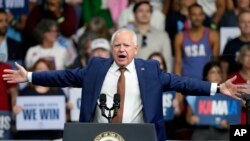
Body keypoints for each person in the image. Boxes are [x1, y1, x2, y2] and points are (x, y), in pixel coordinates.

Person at [2, 28, 249, 141]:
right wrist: (30, 77)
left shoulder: (149, 70)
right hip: (99, 137)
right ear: (112, 49)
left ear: (135, 49)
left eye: (126, 45)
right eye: (117, 45)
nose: (121, 49)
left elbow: (182, 83)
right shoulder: (97, 68)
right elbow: (63, 76)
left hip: (139, 138)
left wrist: (218, 88)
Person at [13, 58, 68, 140]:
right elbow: (16, 123)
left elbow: (66, 119)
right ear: (33, 71)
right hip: (29, 137)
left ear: (50, 72)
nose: (42, 72)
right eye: (39, 69)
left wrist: (67, 109)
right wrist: (15, 113)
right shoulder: (25, 92)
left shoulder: (58, 91)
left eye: (45, 69)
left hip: (54, 137)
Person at [174, 3, 219, 80]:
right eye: (194, 15)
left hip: (207, 83)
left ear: (203, 16)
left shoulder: (213, 35)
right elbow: (178, 63)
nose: (197, 18)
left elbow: (215, 62)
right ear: (189, 16)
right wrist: (177, 86)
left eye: (200, 14)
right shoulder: (180, 36)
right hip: (187, 83)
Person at [186, 61, 230, 140]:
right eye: (212, 72)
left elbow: (234, 118)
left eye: (219, 72)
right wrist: (192, 119)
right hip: (202, 130)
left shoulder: (229, 94)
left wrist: (228, 125)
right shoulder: (196, 94)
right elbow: (188, 117)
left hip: (223, 132)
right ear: (206, 76)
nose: (217, 75)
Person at [223, 9, 250, 75]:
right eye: (243, 22)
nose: (247, 25)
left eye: (249, 22)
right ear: (237, 24)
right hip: (235, 83)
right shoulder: (230, 45)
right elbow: (224, 70)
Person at [228, 45, 250, 125]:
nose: (249, 59)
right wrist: (239, 102)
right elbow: (227, 101)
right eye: (246, 55)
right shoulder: (232, 78)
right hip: (238, 121)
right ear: (241, 58)